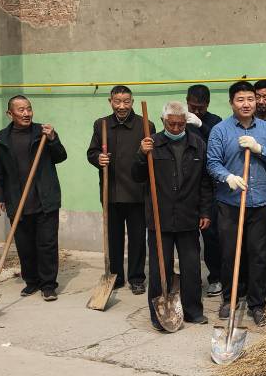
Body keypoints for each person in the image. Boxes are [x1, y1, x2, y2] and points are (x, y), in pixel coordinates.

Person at [206, 80, 266, 326]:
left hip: (260, 202)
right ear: (231, 103)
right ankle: (230, 299)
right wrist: (227, 177)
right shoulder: (220, 130)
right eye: (240, 100)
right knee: (230, 253)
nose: (246, 104)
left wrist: (259, 149)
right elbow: (212, 163)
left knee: (259, 256)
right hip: (229, 203)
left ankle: (257, 304)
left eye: (250, 99)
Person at [132, 101, 213, 330]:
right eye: (171, 124)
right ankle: (158, 315)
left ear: (186, 122)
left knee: (191, 267)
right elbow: (137, 176)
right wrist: (141, 154)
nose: (176, 128)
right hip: (160, 217)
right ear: (163, 121)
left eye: (180, 124)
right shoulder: (151, 143)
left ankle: (193, 311)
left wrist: (205, 211)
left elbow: (205, 182)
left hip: (189, 215)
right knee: (159, 267)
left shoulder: (197, 144)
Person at [0, 95, 67, 301]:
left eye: (29, 109)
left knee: (47, 245)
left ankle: (48, 285)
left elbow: (61, 156)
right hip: (17, 201)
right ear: (10, 114)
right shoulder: (0, 139)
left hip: (45, 200)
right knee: (25, 246)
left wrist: (53, 139)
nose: (26, 113)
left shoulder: (43, 133)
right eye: (21, 110)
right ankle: (32, 282)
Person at [86, 85, 154, 294]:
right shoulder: (102, 124)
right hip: (111, 192)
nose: (122, 106)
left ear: (132, 102)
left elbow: (153, 156)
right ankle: (115, 275)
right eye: (117, 101)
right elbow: (91, 152)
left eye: (126, 101)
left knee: (137, 239)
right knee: (113, 238)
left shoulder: (145, 125)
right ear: (111, 102)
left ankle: (136, 278)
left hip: (137, 192)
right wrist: (98, 158)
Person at [186, 84, 223, 296]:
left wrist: (201, 125)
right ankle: (191, 278)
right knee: (188, 238)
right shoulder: (180, 120)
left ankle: (215, 277)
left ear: (207, 104)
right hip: (186, 186)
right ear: (187, 102)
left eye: (201, 107)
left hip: (210, 186)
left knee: (211, 236)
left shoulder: (215, 122)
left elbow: (219, 146)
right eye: (193, 107)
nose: (197, 111)